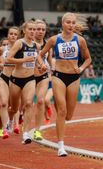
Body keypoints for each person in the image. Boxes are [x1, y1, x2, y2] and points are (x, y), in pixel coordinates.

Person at [36, 12, 92, 157]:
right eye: (68, 22)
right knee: (62, 110)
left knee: (69, 115)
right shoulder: (54, 40)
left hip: (74, 77)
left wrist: (81, 68)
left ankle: (61, 112)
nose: (71, 25)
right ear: (62, 23)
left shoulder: (80, 40)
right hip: (58, 76)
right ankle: (61, 146)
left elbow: (88, 59)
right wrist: (43, 65)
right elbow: (40, 55)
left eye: (73, 23)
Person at [5, 20, 38, 145]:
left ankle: (26, 133)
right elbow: (9, 59)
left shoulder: (36, 45)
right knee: (13, 108)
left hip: (29, 79)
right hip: (16, 79)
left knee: (29, 103)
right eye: (30, 29)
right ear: (24, 30)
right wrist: (24, 60)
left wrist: (41, 65)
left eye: (34, 29)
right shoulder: (19, 43)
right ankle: (10, 120)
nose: (33, 32)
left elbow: (37, 58)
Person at [0, 27, 19, 139]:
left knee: (13, 107)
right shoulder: (2, 49)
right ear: (8, 35)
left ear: (18, 36)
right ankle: (5, 129)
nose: (13, 36)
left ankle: (11, 120)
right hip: (4, 77)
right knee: (4, 103)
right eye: (11, 34)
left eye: (15, 34)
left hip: (16, 79)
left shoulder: (20, 49)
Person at [32, 19, 53, 141]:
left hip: (43, 76)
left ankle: (37, 131)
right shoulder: (26, 44)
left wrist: (53, 70)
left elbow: (50, 60)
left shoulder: (48, 45)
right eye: (38, 29)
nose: (40, 31)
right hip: (27, 76)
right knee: (27, 103)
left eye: (43, 29)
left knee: (40, 101)